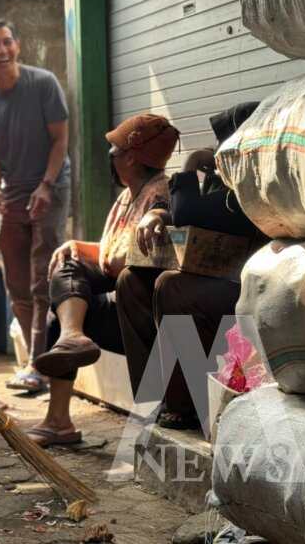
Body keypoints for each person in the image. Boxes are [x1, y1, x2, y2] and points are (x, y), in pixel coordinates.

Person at [27, 114, 178, 447]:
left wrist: (92, 257)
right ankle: (61, 411)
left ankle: (72, 338)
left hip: (141, 316)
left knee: (67, 291)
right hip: (120, 304)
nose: (109, 155)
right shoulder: (128, 195)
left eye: (115, 149)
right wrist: (79, 247)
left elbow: (132, 259)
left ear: (131, 156)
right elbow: (111, 251)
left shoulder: (160, 197)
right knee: (66, 280)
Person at [121, 102, 264, 429]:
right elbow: (187, 214)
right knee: (131, 281)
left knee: (173, 286)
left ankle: (187, 407)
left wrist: (189, 167)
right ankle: (152, 401)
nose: (217, 153)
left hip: (244, 291)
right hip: (217, 278)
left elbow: (192, 213)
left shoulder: (254, 181)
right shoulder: (222, 179)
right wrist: (156, 214)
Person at [0, 18, 71, 393]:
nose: (2, 50)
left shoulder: (43, 83)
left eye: (7, 42)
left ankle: (40, 364)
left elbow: (61, 140)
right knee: (15, 279)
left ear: (18, 46)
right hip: (12, 191)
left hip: (50, 185)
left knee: (43, 276)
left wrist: (45, 185)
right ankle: (36, 363)